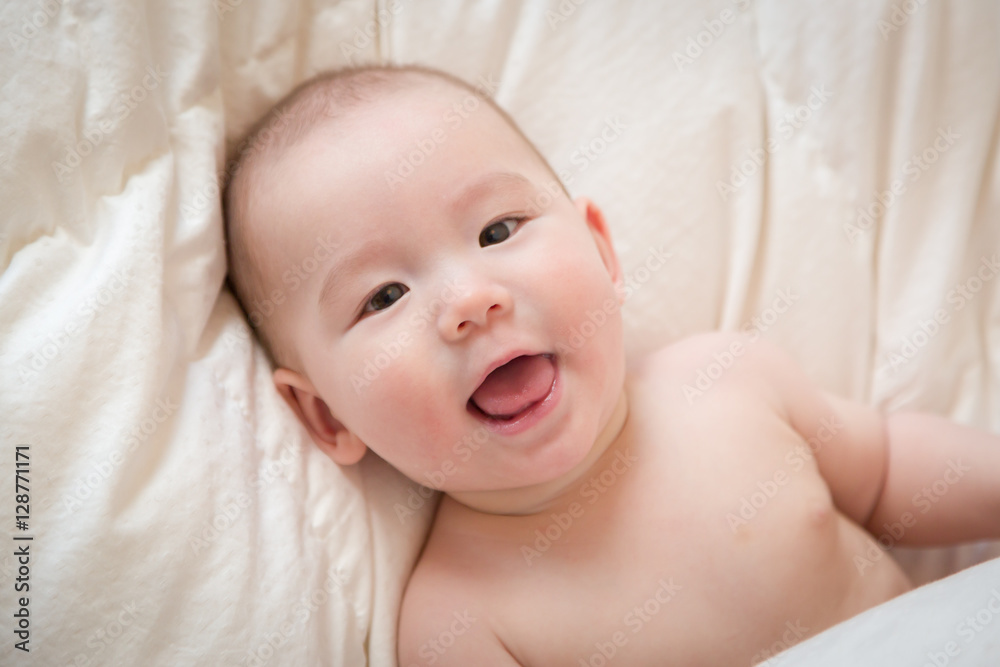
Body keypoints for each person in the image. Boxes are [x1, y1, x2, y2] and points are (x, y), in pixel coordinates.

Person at [222, 64, 1000, 666]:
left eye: (498, 230)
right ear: (326, 415)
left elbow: (891, 471)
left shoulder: (727, 381)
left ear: (602, 251)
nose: (469, 299)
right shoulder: (458, 620)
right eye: (383, 295)